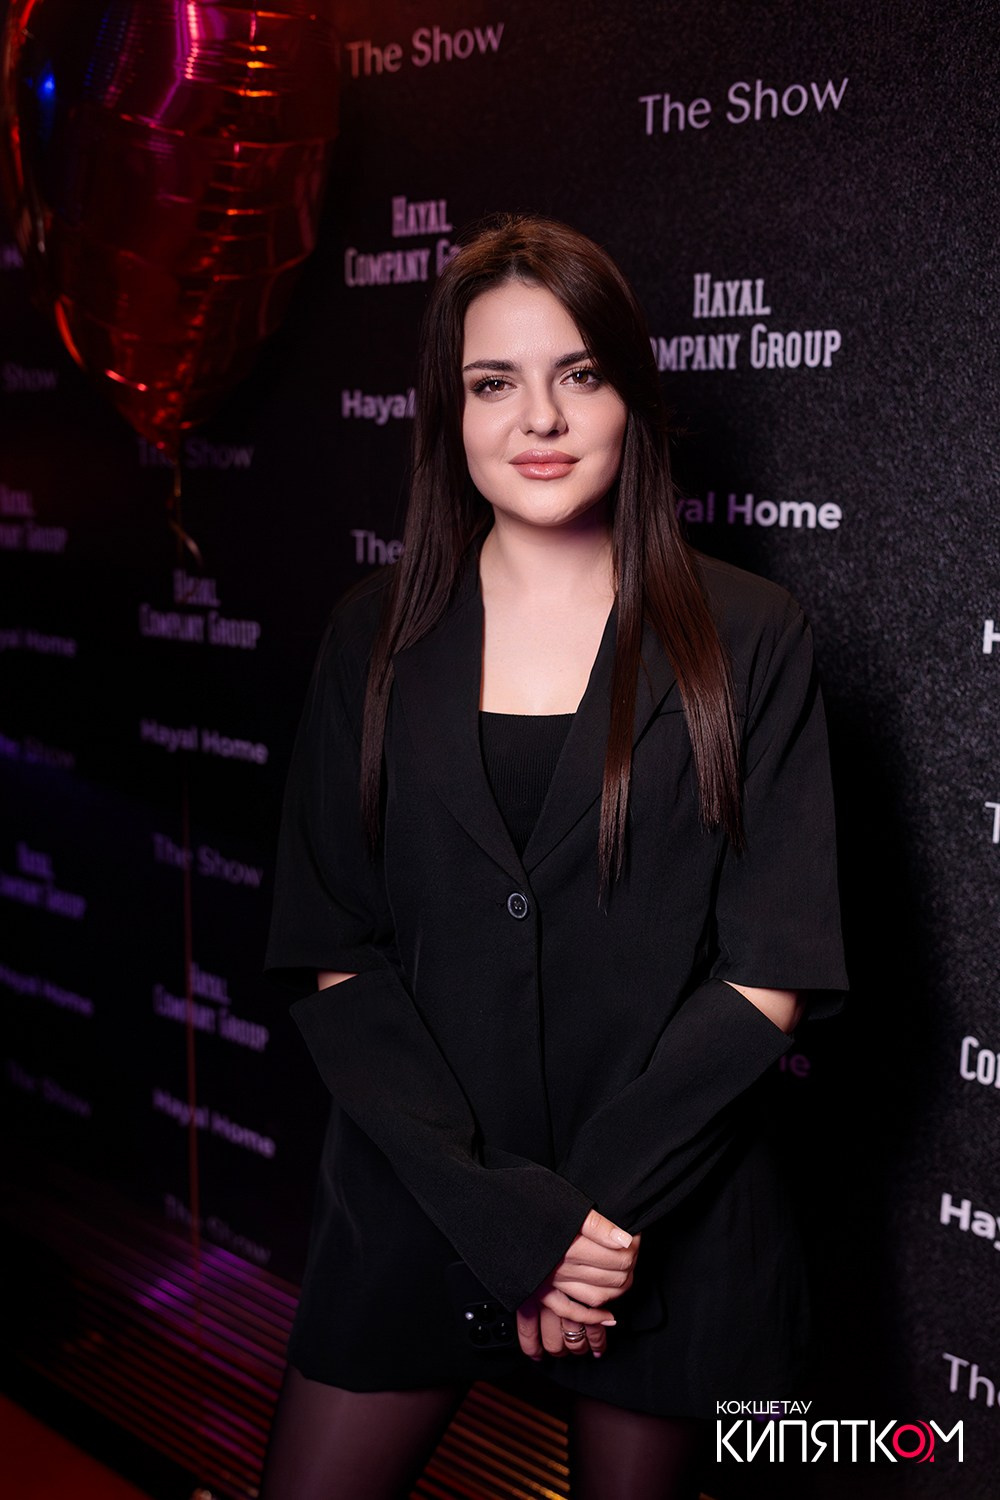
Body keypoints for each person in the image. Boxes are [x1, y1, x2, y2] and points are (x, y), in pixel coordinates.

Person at [261, 214, 847, 1500]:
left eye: (577, 373)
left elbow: (771, 972)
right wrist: (508, 1221)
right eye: (493, 382)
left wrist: (590, 1223)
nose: (539, 417)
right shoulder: (370, 638)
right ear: (449, 412)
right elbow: (334, 951)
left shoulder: (751, 634)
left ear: (629, 395)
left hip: (662, 1219)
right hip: (419, 1199)